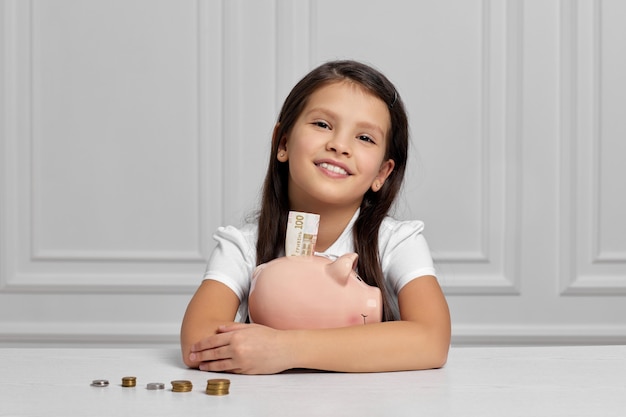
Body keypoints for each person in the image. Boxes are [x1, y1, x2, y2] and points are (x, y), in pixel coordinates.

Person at [180, 60, 451, 374]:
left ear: (382, 172)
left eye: (365, 138)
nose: (339, 145)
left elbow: (432, 340)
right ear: (283, 143)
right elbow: (197, 343)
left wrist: (287, 350)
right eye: (322, 124)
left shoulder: (396, 242)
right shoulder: (243, 245)